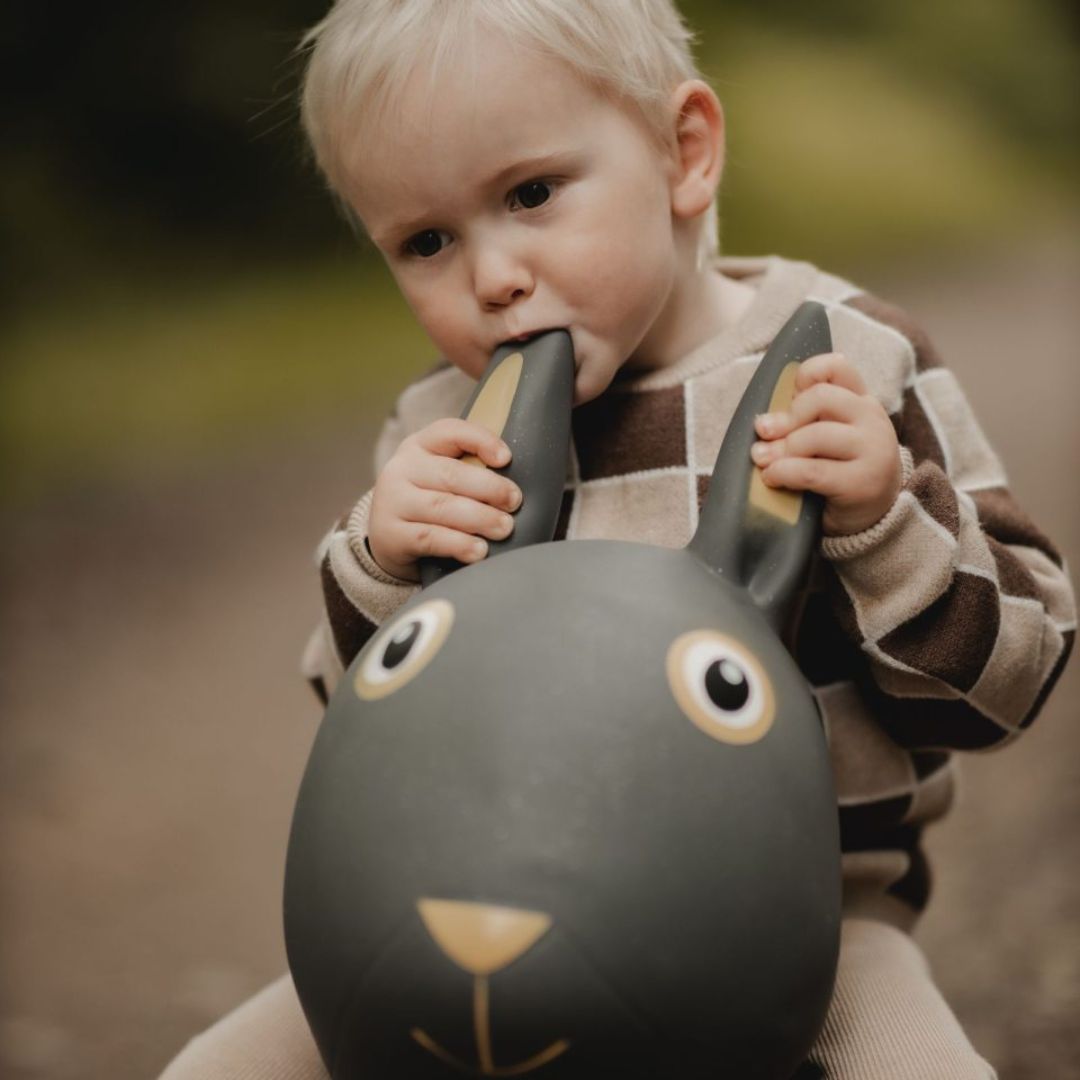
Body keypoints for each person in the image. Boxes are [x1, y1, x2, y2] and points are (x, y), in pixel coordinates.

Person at [160, 1, 1075, 1077]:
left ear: (685, 152)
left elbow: (1013, 685)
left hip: (807, 927)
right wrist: (379, 564)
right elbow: (372, 748)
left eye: (531, 194)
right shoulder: (446, 428)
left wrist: (883, 524)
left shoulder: (849, 371)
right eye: (426, 240)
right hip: (488, 917)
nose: (492, 276)